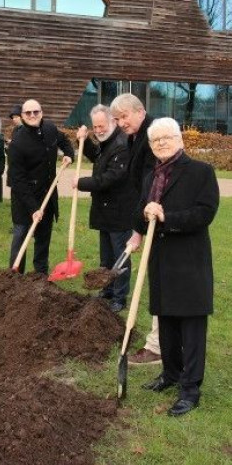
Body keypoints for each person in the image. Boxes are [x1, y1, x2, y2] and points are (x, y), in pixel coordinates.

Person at [135, 118, 220, 417]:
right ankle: (170, 374)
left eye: (166, 137)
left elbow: (205, 213)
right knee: (166, 322)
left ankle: (190, 389)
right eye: (155, 140)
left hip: (189, 261)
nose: (161, 143)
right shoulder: (150, 176)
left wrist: (166, 217)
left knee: (191, 327)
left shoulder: (201, 172)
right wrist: (144, 213)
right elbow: (138, 219)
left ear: (180, 139)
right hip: (160, 260)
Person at [111, 92, 163, 366]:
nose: (121, 123)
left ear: (140, 111)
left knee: (161, 282)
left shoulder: (153, 136)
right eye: (117, 119)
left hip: (159, 219)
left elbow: (152, 186)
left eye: (124, 116)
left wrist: (139, 229)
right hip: (149, 215)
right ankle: (161, 342)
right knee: (160, 281)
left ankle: (158, 346)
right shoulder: (136, 136)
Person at [75, 104, 138, 312]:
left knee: (120, 256)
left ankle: (120, 297)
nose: (98, 130)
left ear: (112, 122)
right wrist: (83, 140)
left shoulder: (122, 145)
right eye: (95, 127)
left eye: (101, 126)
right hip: (104, 209)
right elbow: (98, 157)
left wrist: (82, 183)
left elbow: (111, 177)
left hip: (120, 210)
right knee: (107, 255)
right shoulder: (108, 141)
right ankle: (108, 289)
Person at [7, 98, 73, 275]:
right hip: (25, 199)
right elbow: (17, 180)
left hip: (47, 195)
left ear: (41, 113)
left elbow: (64, 140)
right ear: (22, 116)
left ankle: (40, 274)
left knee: (43, 237)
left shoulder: (50, 129)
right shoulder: (17, 143)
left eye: (36, 112)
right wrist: (33, 208)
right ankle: (15, 277)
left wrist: (69, 154)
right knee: (21, 236)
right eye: (28, 113)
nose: (32, 115)